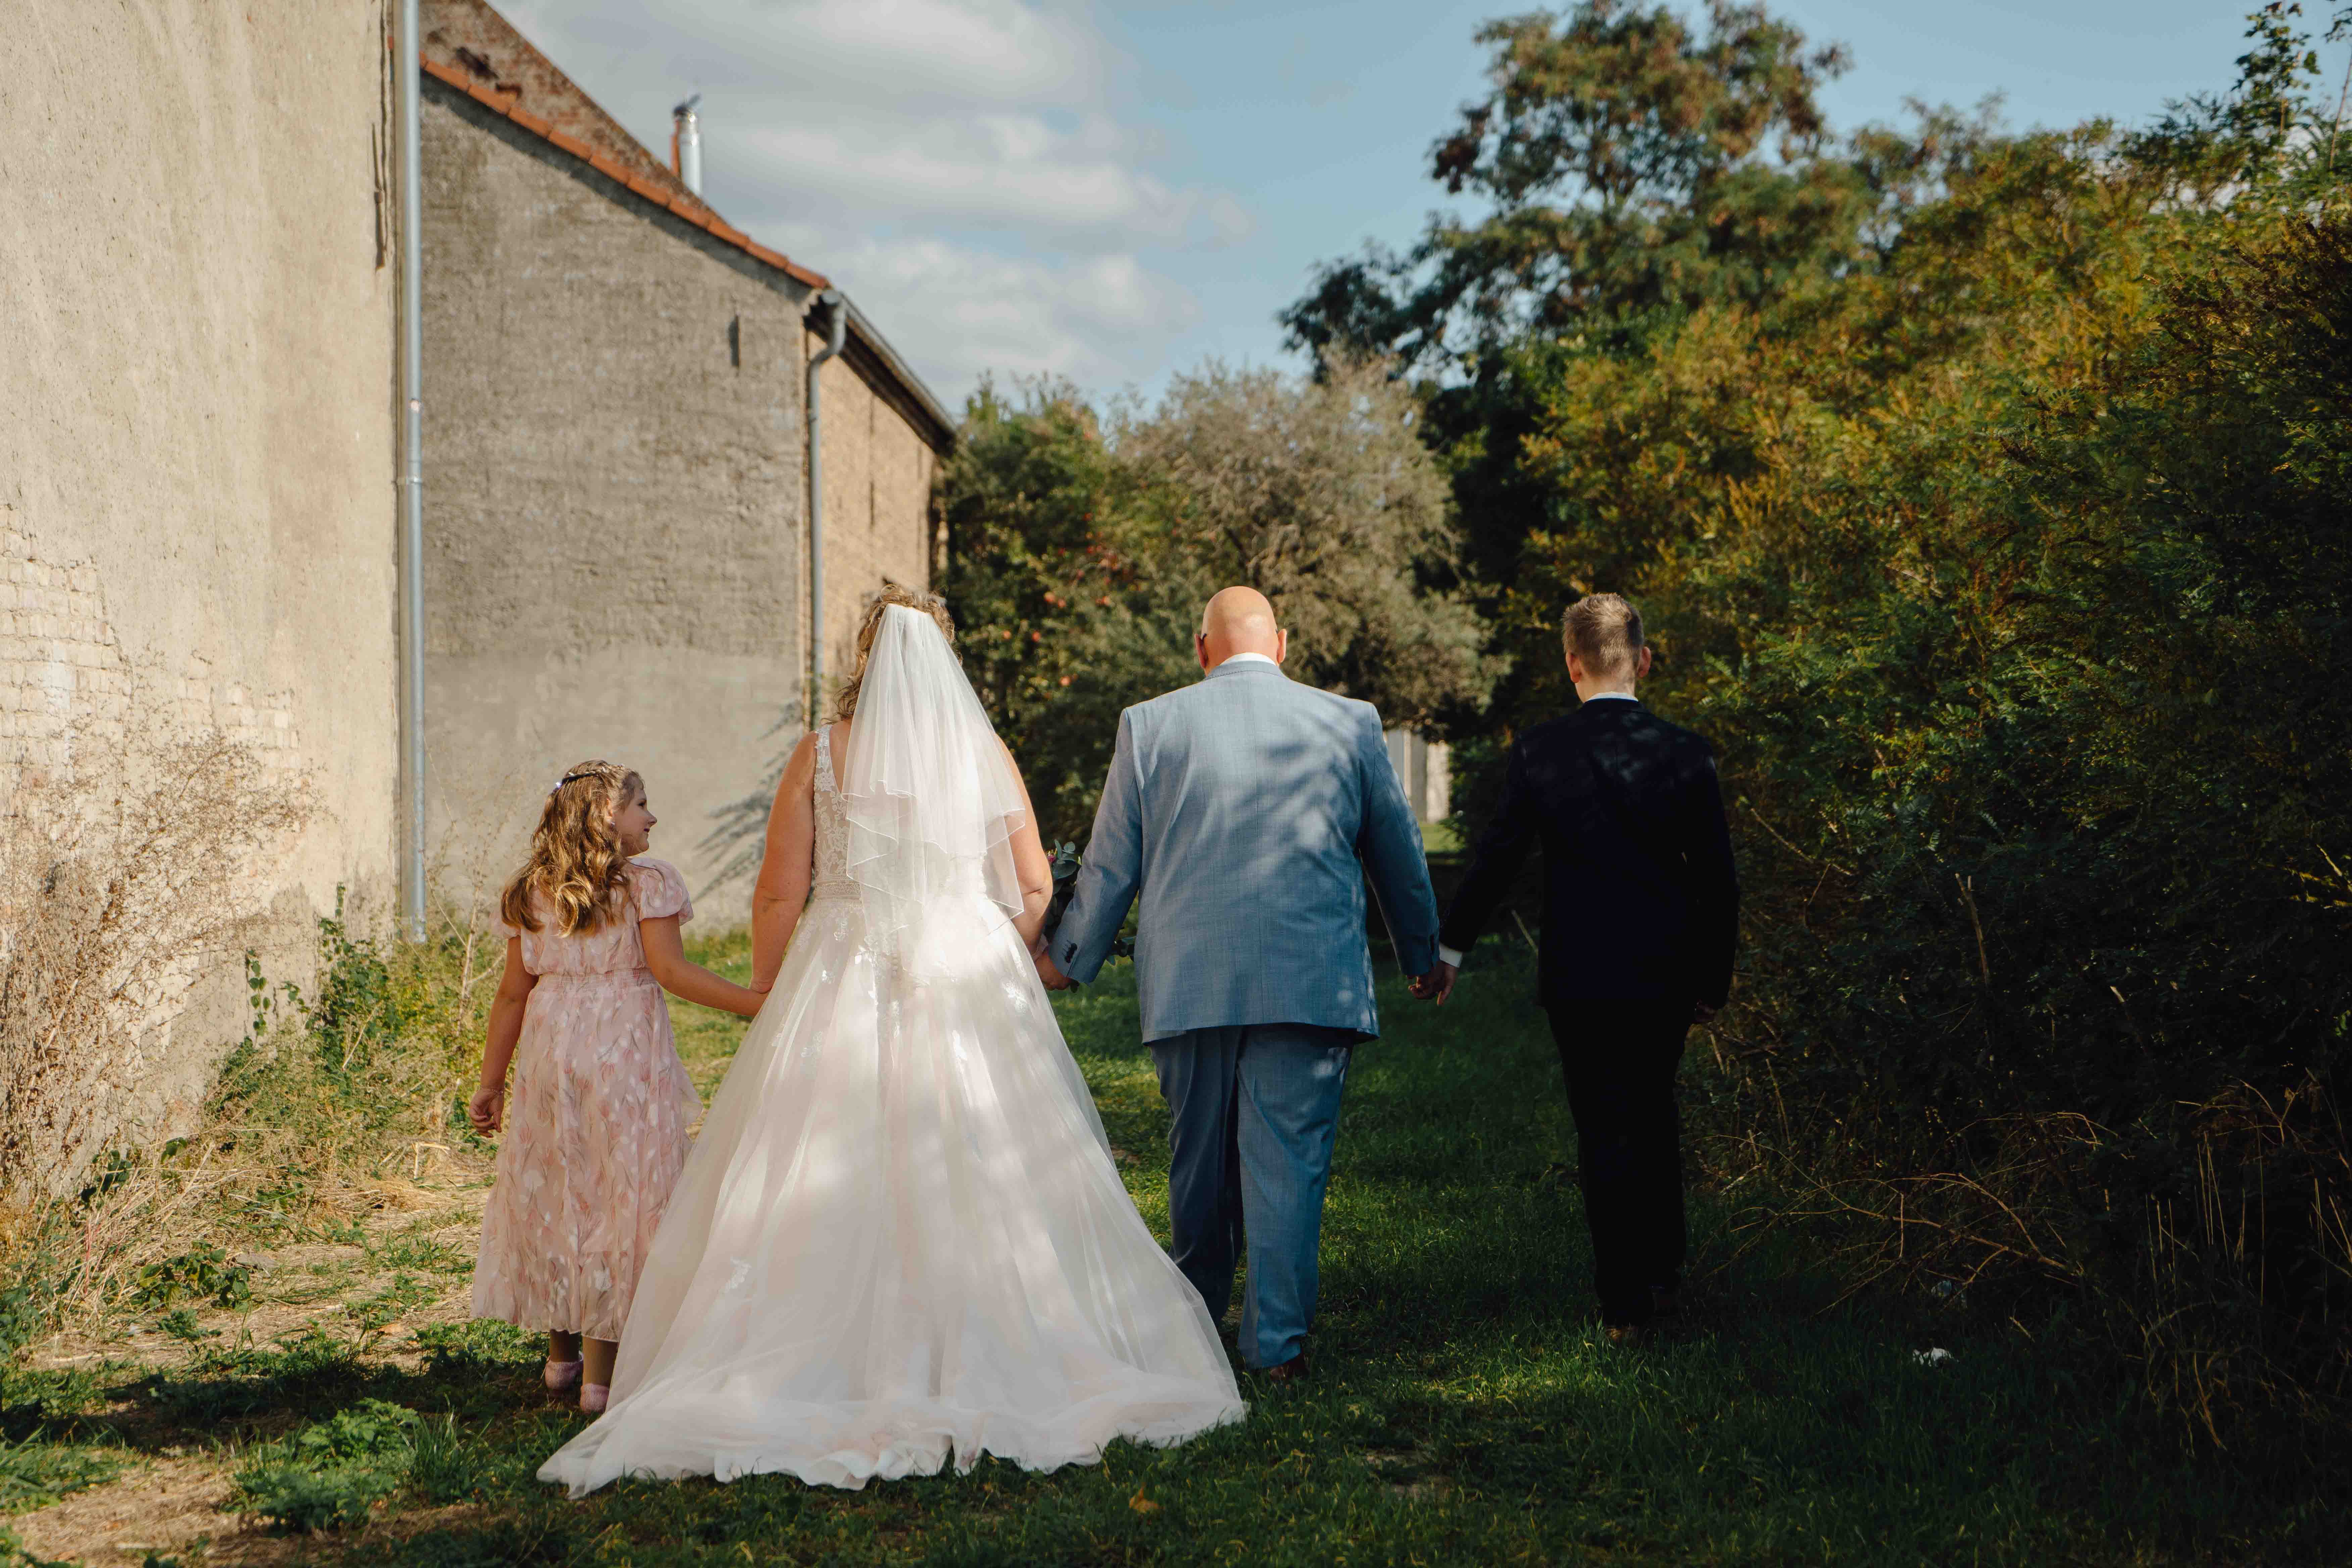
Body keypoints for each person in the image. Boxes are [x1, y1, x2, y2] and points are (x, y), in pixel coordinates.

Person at [539, 587, 1243, 1497]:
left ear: (865, 655)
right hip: (968, 968)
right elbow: (1033, 885)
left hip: (847, 965)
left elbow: (777, 894)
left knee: (815, 1158)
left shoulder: (820, 754)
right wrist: (998, 942)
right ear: (943, 656)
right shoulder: (985, 753)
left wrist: (767, 987)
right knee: (998, 1157)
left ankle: (811, 1355)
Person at [1038, 586, 1441, 1382]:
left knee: (1198, 1163)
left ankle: (1194, 1326)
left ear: (1201, 649)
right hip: (1310, 979)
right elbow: (1396, 847)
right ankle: (1275, 1349)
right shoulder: (1349, 721)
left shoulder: (1149, 724)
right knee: (1289, 1162)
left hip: (1192, 980)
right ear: (1283, 644)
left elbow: (1113, 862)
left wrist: (1067, 957)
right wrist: (1424, 951)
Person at [1415, 593, 1738, 1343]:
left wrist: (1449, 949)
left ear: (1572, 665)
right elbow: (1720, 880)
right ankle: (1662, 1275)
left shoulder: (1541, 751)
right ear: (1645, 660)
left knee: (1603, 1125)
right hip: (1665, 970)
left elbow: (1497, 856)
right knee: (1655, 1110)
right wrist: (1711, 979)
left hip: (1581, 973)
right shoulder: (1686, 751)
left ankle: (1622, 1300)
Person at [470, 761, 769, 1413]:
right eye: (642, 805)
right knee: (620, 1193)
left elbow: (512, 993)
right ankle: (602, 1379)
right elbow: (671, 970)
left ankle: (560, 1358)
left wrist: (492, 1082)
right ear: (610, 818)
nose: (652, 817)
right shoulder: (646, 884)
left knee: (559, 1187)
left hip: (551, 1056)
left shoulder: (531, 890)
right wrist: (753, 1003)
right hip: (622, 1059)